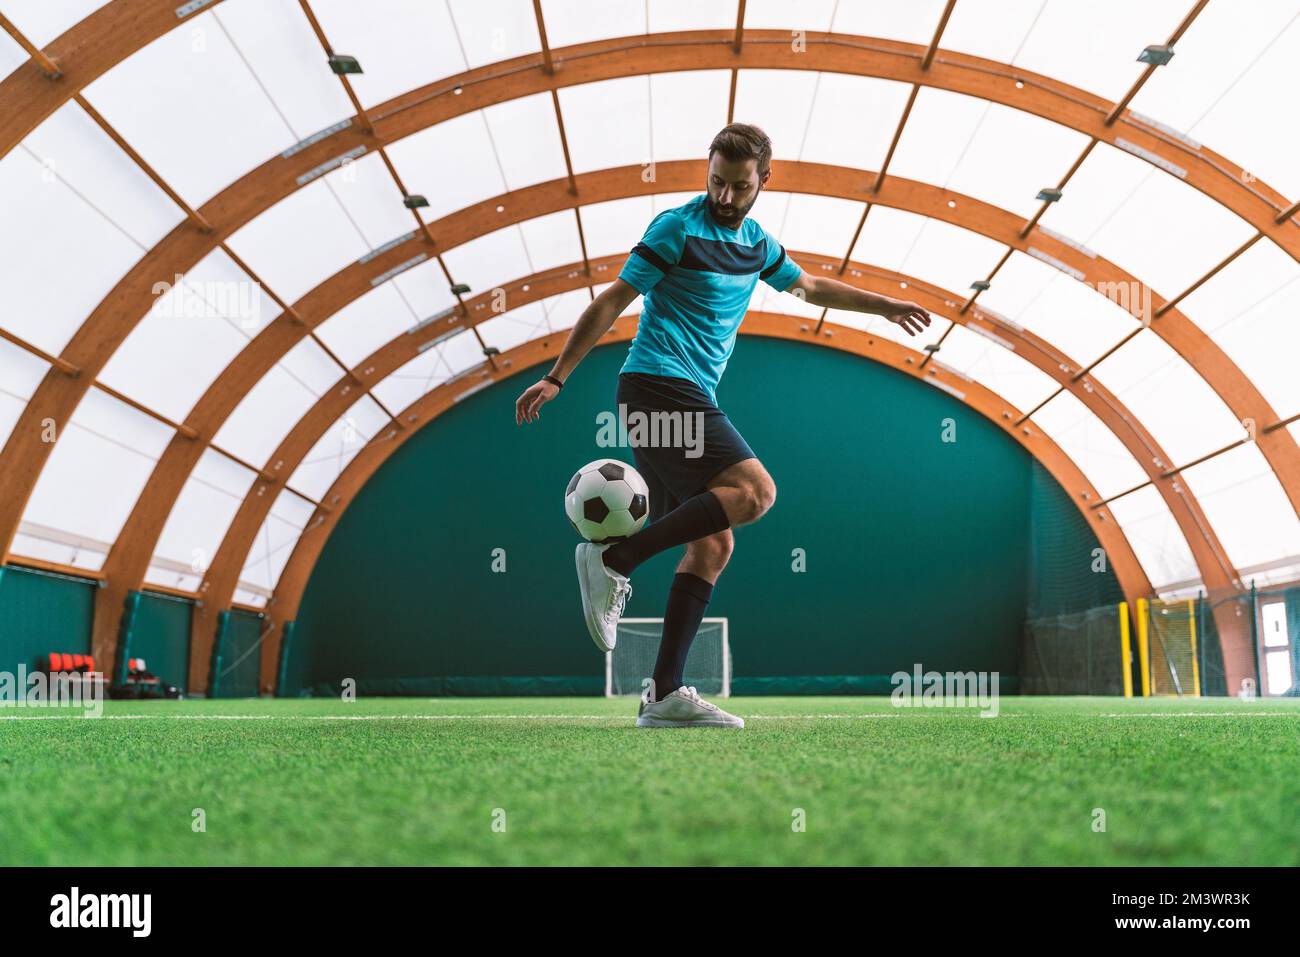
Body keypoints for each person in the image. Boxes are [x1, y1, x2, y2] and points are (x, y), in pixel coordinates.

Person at [514, 123, 931, 728]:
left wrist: (884, 305)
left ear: (765, 180)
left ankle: (662, 695)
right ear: (705, 173)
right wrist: (557, 377)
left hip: (684, 394)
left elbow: (811, 287)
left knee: (714, 541)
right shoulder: (677, 229)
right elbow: (612, 301)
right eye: (717, 182)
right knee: (756, 492)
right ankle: (614, 561)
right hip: (657, 386)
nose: (726, 198)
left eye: (739, 186)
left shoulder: (758, 245)